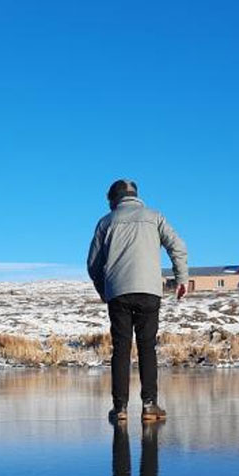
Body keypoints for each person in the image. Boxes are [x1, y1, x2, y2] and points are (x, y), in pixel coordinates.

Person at [87, 179, 188, 423]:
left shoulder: (106, 222)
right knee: (146, 347)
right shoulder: (154, 216)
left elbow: (93, 263)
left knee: (121, 349)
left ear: (114, 199)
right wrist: (181, 278)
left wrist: (104, 289)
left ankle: (120, 408)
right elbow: (177, 246)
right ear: (135, 196)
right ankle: (149, 406)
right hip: (149, 291)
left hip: (118, 293)